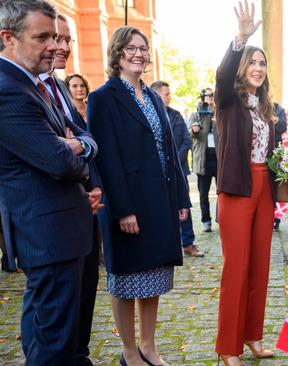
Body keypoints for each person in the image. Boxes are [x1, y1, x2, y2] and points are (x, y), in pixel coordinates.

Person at [87, 26, 191, 366]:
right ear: (117, 53)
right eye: (131, 48)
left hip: (159, 200)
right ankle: (129, 351)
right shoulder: (102, 98)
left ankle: (149, 345)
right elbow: (107, 158)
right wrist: (123, 210)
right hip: (128, 202)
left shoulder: (154, 97)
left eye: (143, 48)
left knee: (154, 274)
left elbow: (170, 154)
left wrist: (180, 200)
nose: (138, 54)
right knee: (126, 277)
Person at [0, 1, 97, 364]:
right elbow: (60, 162)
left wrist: (76, 144)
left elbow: (83, 141)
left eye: (56, 37)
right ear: (8, 38)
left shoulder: (33, 84)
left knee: (54, 338)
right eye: (42, 37)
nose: (55, 46)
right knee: (52, 347)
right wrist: (73, 148)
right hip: (47, 234)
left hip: (59, 232)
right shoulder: (8, 90)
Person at [214, 1, 277, 364]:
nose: (257, 68)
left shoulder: (266, 107)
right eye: (252, 62)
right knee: (236, 268)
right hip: (236, 189)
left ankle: (253, 336)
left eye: (262, 63)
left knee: (260, 266)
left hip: (264, 187)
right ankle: (227, 347)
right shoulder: (228, 100)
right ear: (242, 67)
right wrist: (240, 38)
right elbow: (222, 75)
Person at [42, 14, 104, 366]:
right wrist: (78, 146)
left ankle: (80, 355)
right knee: (56, 310)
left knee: (86, 288)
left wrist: (92, 184)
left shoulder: (61, 86)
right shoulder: (26, 90)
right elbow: (53, 152)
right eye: (56, 38)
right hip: (51, 214)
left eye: (68, 41)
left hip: (86, 203)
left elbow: (85, 139)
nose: (63, 47)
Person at [151, 80, 202, 258]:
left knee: (184, 206)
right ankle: (165, 244)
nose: (169, 97)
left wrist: (173, 162)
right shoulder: (148, 114)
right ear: (156, 94)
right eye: (166, 94)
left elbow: (185, 140)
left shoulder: (176, 115)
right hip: (156, 172)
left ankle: (188, 243)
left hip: (179, 170)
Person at [189, 88, 218, 233]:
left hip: (219, 159)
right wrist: (195, 130)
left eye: (213, 95)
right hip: (204, 160)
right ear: (203, 97)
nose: (211, 97)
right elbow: (191, 133)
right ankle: (206, 220)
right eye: (208, 95)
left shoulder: (220, 113)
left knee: (223, 193)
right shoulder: (197, 114)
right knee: (203, 194)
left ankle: (221, 217)